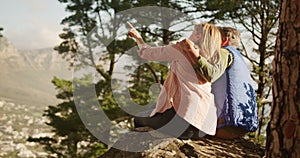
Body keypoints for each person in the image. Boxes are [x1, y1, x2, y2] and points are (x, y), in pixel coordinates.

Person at [128, 22, 232, 138]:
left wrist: (138, 38)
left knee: (138, 119)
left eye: (193, 32)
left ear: (198, 36)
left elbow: (148, 53)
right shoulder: (214, 58)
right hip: (204, 127)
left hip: (183, 123)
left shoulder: (182, 49)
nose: (190, 35)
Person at [201, 27, 258, 139]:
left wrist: (194, 56)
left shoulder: (224, 52)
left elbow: (210, 73)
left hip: (225, 124)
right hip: (242, 125)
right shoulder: (239, 59)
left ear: (224, 39)